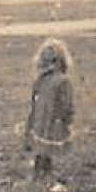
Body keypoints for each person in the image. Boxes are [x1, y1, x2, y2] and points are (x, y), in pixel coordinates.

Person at [24, 38, 75, 178]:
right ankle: (45, 169)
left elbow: (34, 101)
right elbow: (66, 103)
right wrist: (68, 117)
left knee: (41, 142)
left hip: (40, 117)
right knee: (48, 142)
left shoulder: (40, 80)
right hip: (54, 118)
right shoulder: (63, 81)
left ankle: (40, 168)